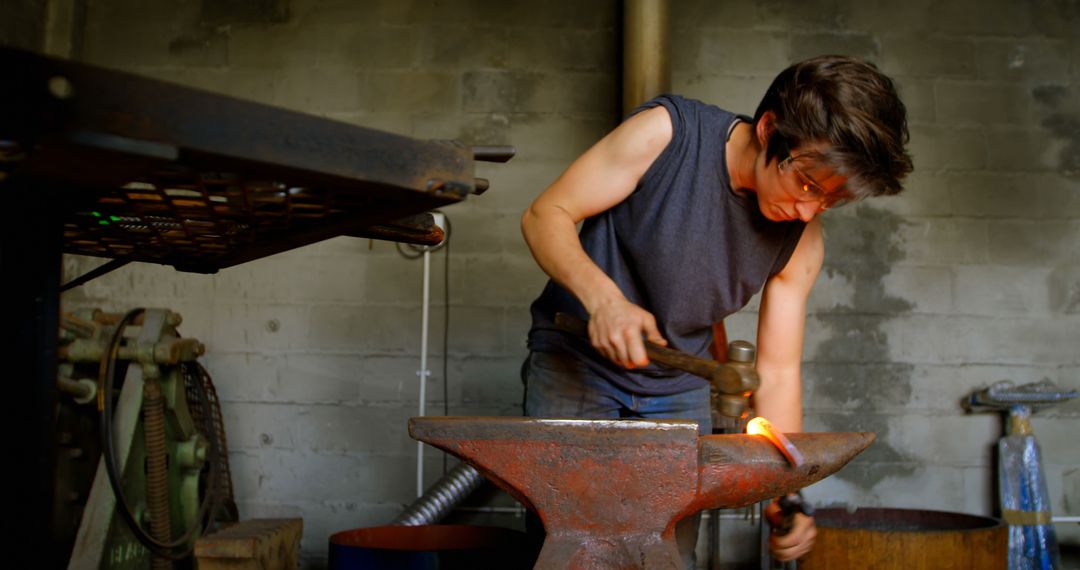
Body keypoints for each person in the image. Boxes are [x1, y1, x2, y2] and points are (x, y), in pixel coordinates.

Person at [518, 55, 913, 565]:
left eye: (831, 201)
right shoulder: (668, 136)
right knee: (569, 549)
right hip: (577, 363)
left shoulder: (802, 243)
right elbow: (545, 214)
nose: (810, 211)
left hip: (676, 388)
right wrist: (605, 301)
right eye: (809, 185)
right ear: (770, 128)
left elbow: (776, 373)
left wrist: (783, 493)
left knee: (665, 555)